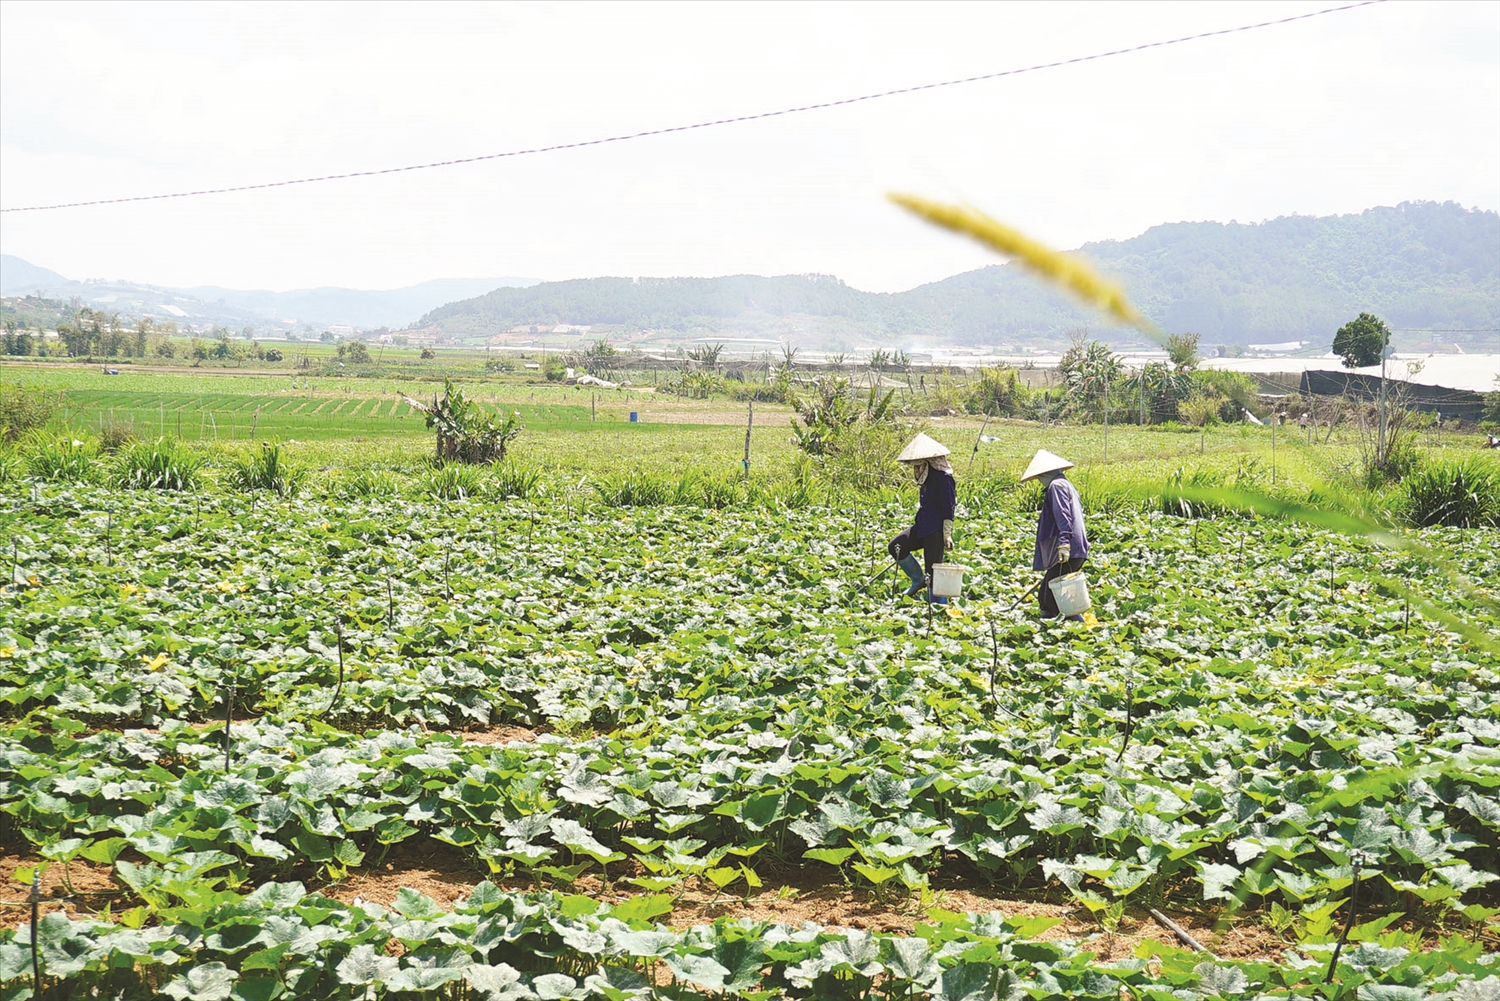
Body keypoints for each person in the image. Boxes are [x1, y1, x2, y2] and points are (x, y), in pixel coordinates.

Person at [1020, 449, 1089, 620]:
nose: (1039, 481)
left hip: (1068, 550)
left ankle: (1078, 630)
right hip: (1075, 549)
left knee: (1052, 599)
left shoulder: (1056, 486)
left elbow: (1063, 516)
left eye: (1039, 478)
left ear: (1045, 474)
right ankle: (1050, 632)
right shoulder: (1066, 484)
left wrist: (1064, 544)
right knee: (1045, 597)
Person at [889, 433, 956, 604]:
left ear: (928, 463)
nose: (916, 470)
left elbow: (948, 507)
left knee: (933, 571)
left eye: (919, 465)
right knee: (896, 546)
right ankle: (918, 579)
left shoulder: (943, 478)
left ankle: (938, 606)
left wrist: (947, 534)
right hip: (922, 526)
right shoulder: (925, 478)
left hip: (935, 530)